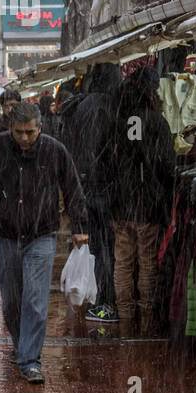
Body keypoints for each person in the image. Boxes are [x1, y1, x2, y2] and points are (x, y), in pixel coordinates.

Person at [0, 102, 88, 384]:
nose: (24, 138)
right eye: (19, 132)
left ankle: (30, 359)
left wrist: (80, 227)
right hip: (7, 234)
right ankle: (21, 344)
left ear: (40, 128)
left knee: (34, 298)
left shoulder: (54, 150)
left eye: (30, 132)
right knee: (11, 299)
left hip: (41, 234)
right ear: (11, 128)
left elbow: (72, 187)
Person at [109, 67, 175, 333]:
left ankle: (125, 313)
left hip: (121, 202)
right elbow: (167, 164)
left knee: (123, 261)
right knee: (147, 261)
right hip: (147, 203)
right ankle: (146, 313)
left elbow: (109, 160)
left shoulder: (118, 119)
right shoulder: (156, 121)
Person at [60, 62, 122, 324]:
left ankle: (96, 299)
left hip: (82, 187)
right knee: (106, 247)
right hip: (102, 187)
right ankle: (105, 301)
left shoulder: (77, 107)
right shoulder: (108, 106)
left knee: (95, 245)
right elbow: (104, 151)